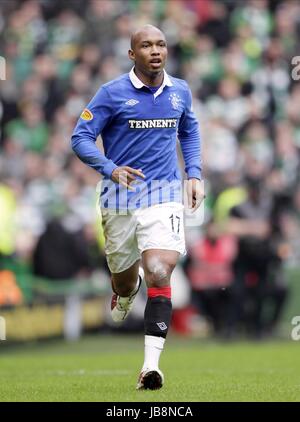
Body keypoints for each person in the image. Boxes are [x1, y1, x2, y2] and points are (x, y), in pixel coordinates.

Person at [71, 25, 204, 390]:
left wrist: (193, 173)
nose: (155, 50)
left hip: (163, 194)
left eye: (161, 44)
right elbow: (79, 137)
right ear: (133, 54)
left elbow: (189, 131)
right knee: (127, 280)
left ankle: (150, 368)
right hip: (118, 200)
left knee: (160, 269)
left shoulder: (180, 91)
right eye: (146, 45)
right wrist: (110, 169)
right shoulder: (111, 93)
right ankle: (125, 291)